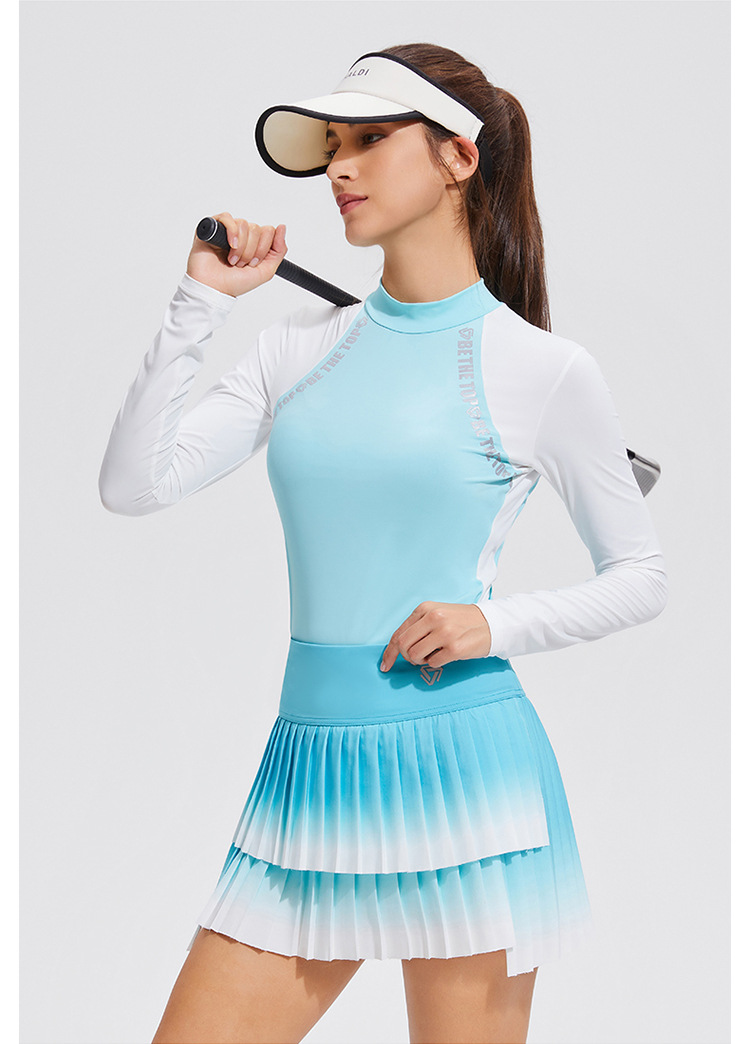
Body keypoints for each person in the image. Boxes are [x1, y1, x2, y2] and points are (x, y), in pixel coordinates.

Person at [98, 44, 668, 1044]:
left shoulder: (543, 369)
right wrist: (201, 302)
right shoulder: (297, 348)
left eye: (369, 139)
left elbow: (641, 577)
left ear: (458, 158)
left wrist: (491, 624)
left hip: (468, 779)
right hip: (307, 773)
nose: (340, 167)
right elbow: (133, 485)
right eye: (333, 146)